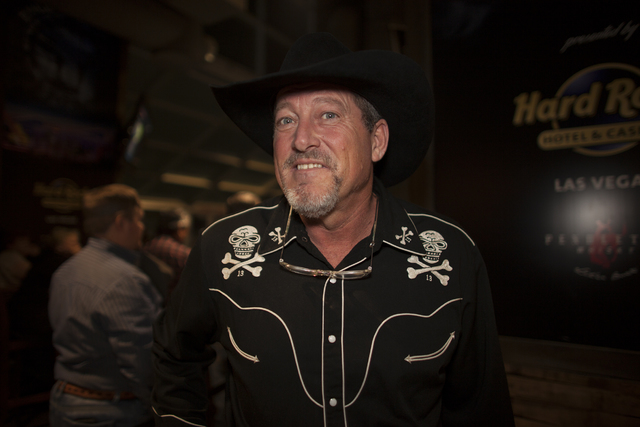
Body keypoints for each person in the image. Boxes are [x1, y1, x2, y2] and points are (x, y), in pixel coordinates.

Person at [152, 32, 514, 426]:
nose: (301, 139)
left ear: (376, 141)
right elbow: (174, 356)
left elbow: (480, 408)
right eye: (285, 120)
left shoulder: (448, 255)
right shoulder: (224, 249)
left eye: (328, 115)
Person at [49, 184, 163, 427]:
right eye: (140, 220)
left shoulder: (65, 271)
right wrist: (158, 407)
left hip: (64, 399)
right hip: (110, 410)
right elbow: (141, 362)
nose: (142, 228)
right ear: (121, 221)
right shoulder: (125, 280)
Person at [143, 208, 192, 298]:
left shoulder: (147, 247)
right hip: (172, 305)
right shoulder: (184, 253)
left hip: (147, 301)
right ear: (179, 229)